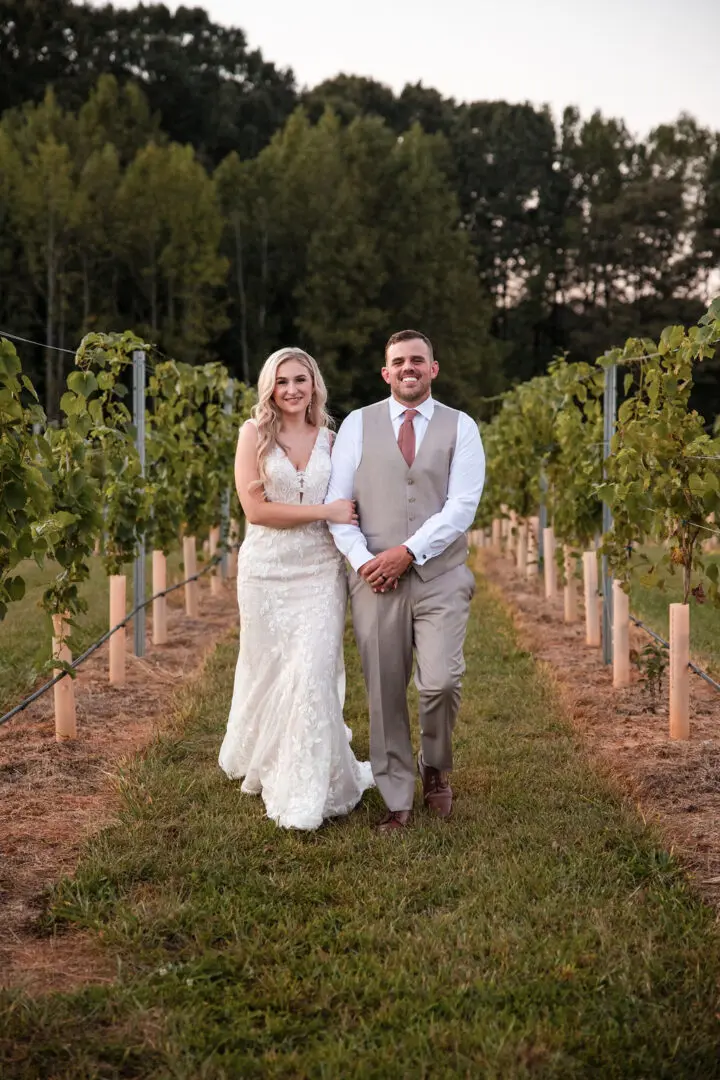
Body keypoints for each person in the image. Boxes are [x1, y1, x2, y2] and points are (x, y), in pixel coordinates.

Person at [326, 330, 485, 833]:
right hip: (374, 579)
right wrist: (363, 561)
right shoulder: (356, 424)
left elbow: (462, 506)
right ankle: (396, 794)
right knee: (383, 688)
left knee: (440, 682)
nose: (408, 368)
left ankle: (434, 764)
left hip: (441, 575)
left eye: (418, 360)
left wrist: (408, 552)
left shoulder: (463, 428)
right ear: (386, 372)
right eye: (399, 361)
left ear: (433, 369)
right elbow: (338, 503)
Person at [218, 347, 374, 830]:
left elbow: (357, 496)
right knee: (270, 668)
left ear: (314, 384)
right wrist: (325, 513)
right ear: (270, 387)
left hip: (321, 572)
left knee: (312, 671)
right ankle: (271, 760)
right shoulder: (253, 435)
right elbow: (256, 511)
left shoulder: (333, 437)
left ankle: (306, 787)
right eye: (282, 381)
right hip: (267, 568)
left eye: (300, 380)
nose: (291, 389)